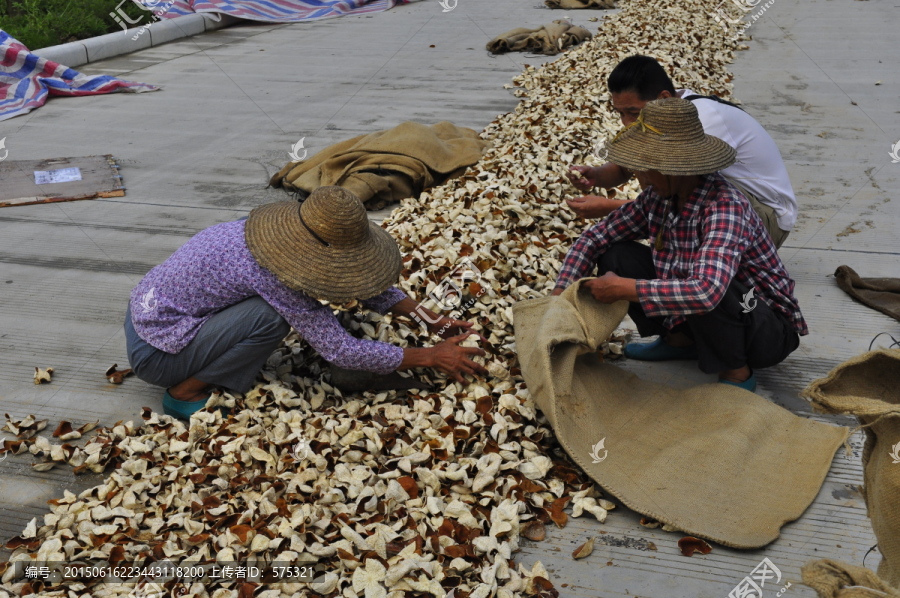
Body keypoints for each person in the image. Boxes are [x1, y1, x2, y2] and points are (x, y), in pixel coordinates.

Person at [125, 186, 488, 419]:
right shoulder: (267, 270)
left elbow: (356, 279)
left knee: (267, 310)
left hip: (146, 313)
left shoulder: (265, 231)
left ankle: (203, 366)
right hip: (157, 353)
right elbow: (340, 351)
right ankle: (184, 391)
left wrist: (428, 320)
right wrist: (429, 357)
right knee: (269, 318)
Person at [552, 98, 808, 391]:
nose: (641, 177)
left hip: (764, 328)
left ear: (677, 169)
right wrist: (560, 294)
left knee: (711, 287)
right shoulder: (658, 198)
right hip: (710, 310)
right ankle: (680, 340)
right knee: (616, 253)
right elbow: (596, 237)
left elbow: (706, 291)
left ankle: (737, 371)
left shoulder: (725, 207)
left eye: (648, 169)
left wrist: (624, 289)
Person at [566, 54, 796, 248]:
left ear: (664, 97)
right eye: (620, 113)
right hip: (730, 209)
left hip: (767, 220)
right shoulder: (659, 116)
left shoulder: (699, 119)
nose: (627, 122)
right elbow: (628, 166)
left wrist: (608, 207)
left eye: (633, 112)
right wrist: (595, 176)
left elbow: (690, 196)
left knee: (673, 179)